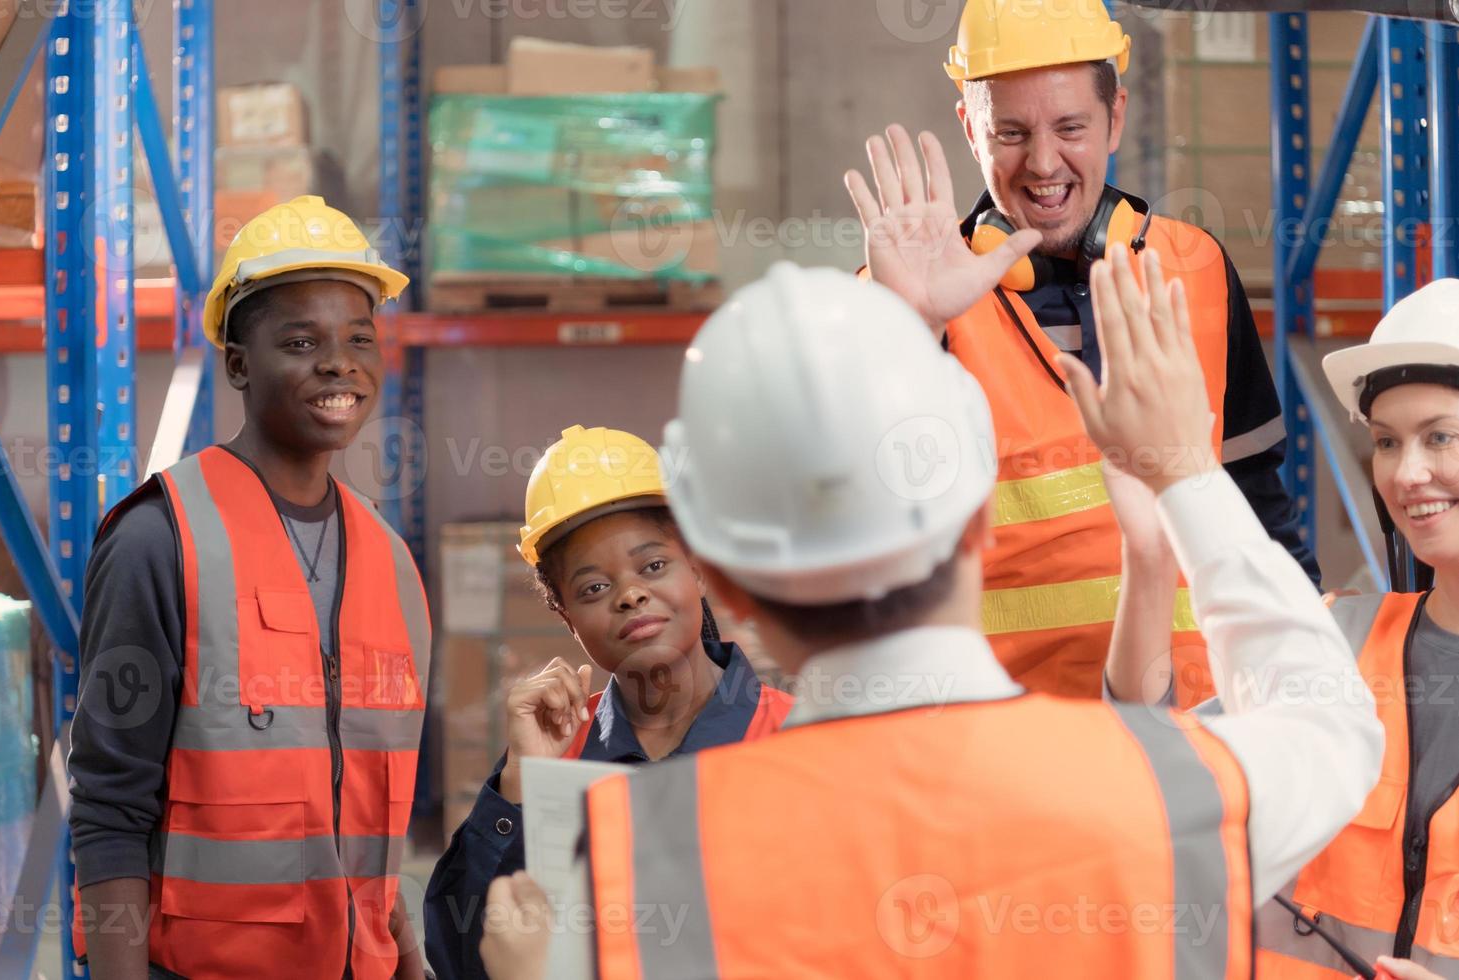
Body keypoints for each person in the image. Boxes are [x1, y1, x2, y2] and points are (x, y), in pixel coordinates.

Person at [480, 252, 1381, 977]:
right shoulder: (1170, 786)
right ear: (983, 516)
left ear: (723, 575)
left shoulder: (634, 865)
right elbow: (1327, 712)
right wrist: (1183, 469)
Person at [844, 0, 1316, 704]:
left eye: (1070, 128)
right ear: (968, 126)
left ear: (1115, 116)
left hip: (1203, 729)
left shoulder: (1194, 267)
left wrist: (1301, 671)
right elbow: (866, 544)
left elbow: (1259, 499)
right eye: (1009, 132)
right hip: (1007, 744)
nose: (1042, 163)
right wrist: (911, 333)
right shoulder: (902, 300)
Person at [67, 196, 429, 980]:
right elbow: (109, 806)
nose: (339, 363)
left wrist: (407, 962)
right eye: (301, 341)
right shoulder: (159, 540)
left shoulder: (391, 563)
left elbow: (368, 817)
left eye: (359, 339)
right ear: (236, 361)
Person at [1109, 279, 1459, 979]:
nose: (1407, 473)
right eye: (1387, 442)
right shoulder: (1336, 636)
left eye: (1440, 436)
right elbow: (1148, 770)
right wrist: (1147, 559)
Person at [423, 424, 792, 979]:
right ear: (568, 618)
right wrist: (519, 781)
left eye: (653, 566)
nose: (630, 594)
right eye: (594, 588)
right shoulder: (554, 757)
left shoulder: (797, 738)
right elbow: (461, 962)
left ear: (698, 568)